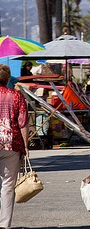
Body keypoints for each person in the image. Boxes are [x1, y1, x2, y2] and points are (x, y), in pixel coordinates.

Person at [0, 64, 28, 228]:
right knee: (8, 185)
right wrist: (26, 147)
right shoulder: (16, 96)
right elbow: (23, 123)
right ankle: (4, 224)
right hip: (11, 143)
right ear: (8, 79)